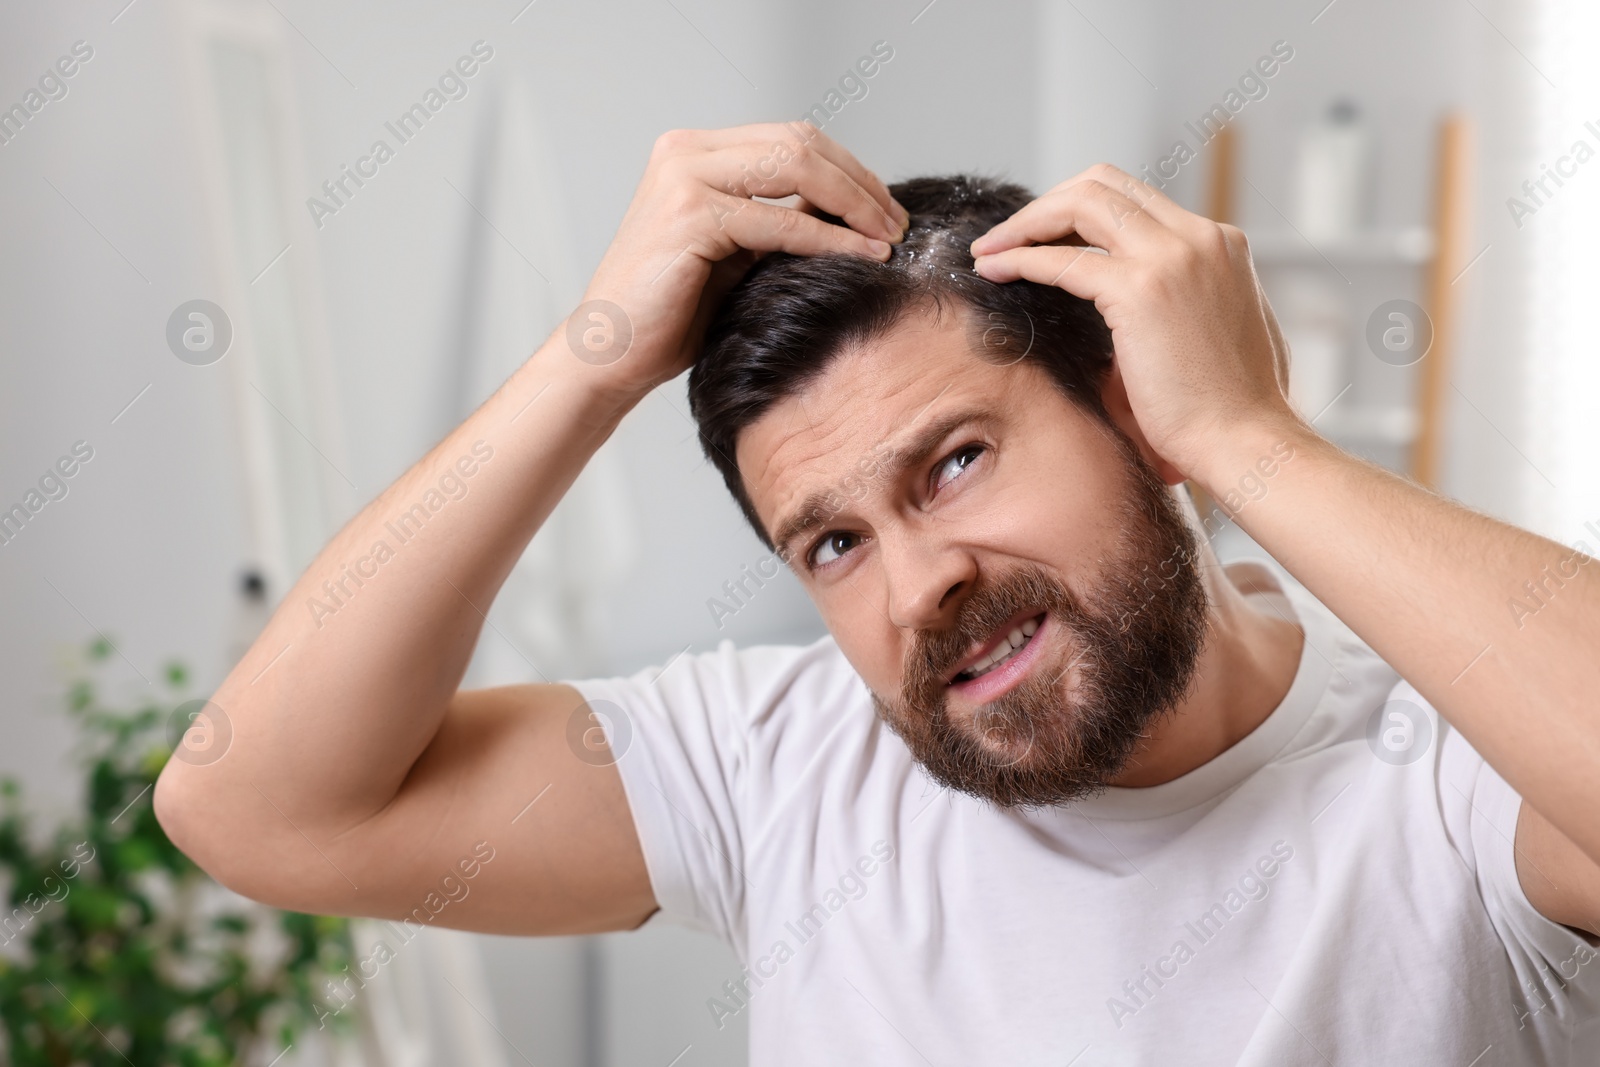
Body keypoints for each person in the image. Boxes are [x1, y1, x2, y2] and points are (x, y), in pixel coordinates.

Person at [155, 123, 1600, 1063]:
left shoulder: (1448, 773)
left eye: (956, 463)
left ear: (1132, 408)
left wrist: (1250, 436)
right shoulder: (778, 766)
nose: (918, 585)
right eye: (831, 543)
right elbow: (258, 807)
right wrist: (591, 362)